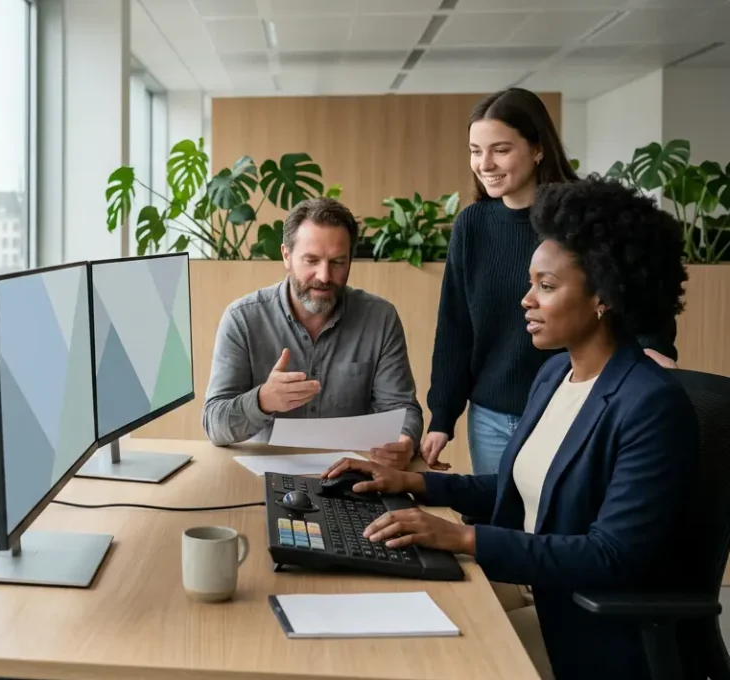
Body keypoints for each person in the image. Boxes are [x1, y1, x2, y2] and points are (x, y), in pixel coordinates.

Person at [322, 176, 696, 680]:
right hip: (534, 589)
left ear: (603, 296)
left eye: (546, 286)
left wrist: (463, 538)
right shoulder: (554, 375)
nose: (526, 300)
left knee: (415, 658)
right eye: (530, 283)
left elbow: (612, 555)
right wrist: (415, 482)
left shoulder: (650, 404)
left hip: (586, 630)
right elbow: (528, 482)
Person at [423, 87, 678, 475]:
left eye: (501, 149)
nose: (485, 163)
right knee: (500, 527)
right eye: (476, 150)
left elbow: (636, 279)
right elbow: (455, 326)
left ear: (538, 148)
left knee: (561, 525)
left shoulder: (582, 220)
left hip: (573, 406)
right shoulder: (472, 226)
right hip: (490, 417)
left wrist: (656, 346)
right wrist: (442, 416)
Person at [202, 196, 423, 468]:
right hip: (263, 473)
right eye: (311, 260)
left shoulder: (380, 318)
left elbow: (401, 410)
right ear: (286, 256)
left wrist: (405, 441)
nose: (324, 276)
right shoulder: (242, 318)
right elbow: (214, 424)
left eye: (338, 262)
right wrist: (262, 401)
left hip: (352, 476)